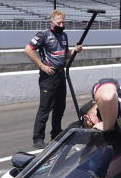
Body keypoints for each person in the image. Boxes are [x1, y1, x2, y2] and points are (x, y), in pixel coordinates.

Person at [25, 10, 82, 149]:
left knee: (60, 106)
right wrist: (41, 66)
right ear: (51, 22)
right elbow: (28, 49)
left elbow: (65, 55)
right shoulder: (43, 34)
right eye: (59, 22)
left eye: (63, 22)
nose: (61, 24)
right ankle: (38, 138)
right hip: (48, 76)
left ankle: (56, 133)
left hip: (61, 74)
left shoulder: (64, 35)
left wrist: (75, 51)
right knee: (45, 108)